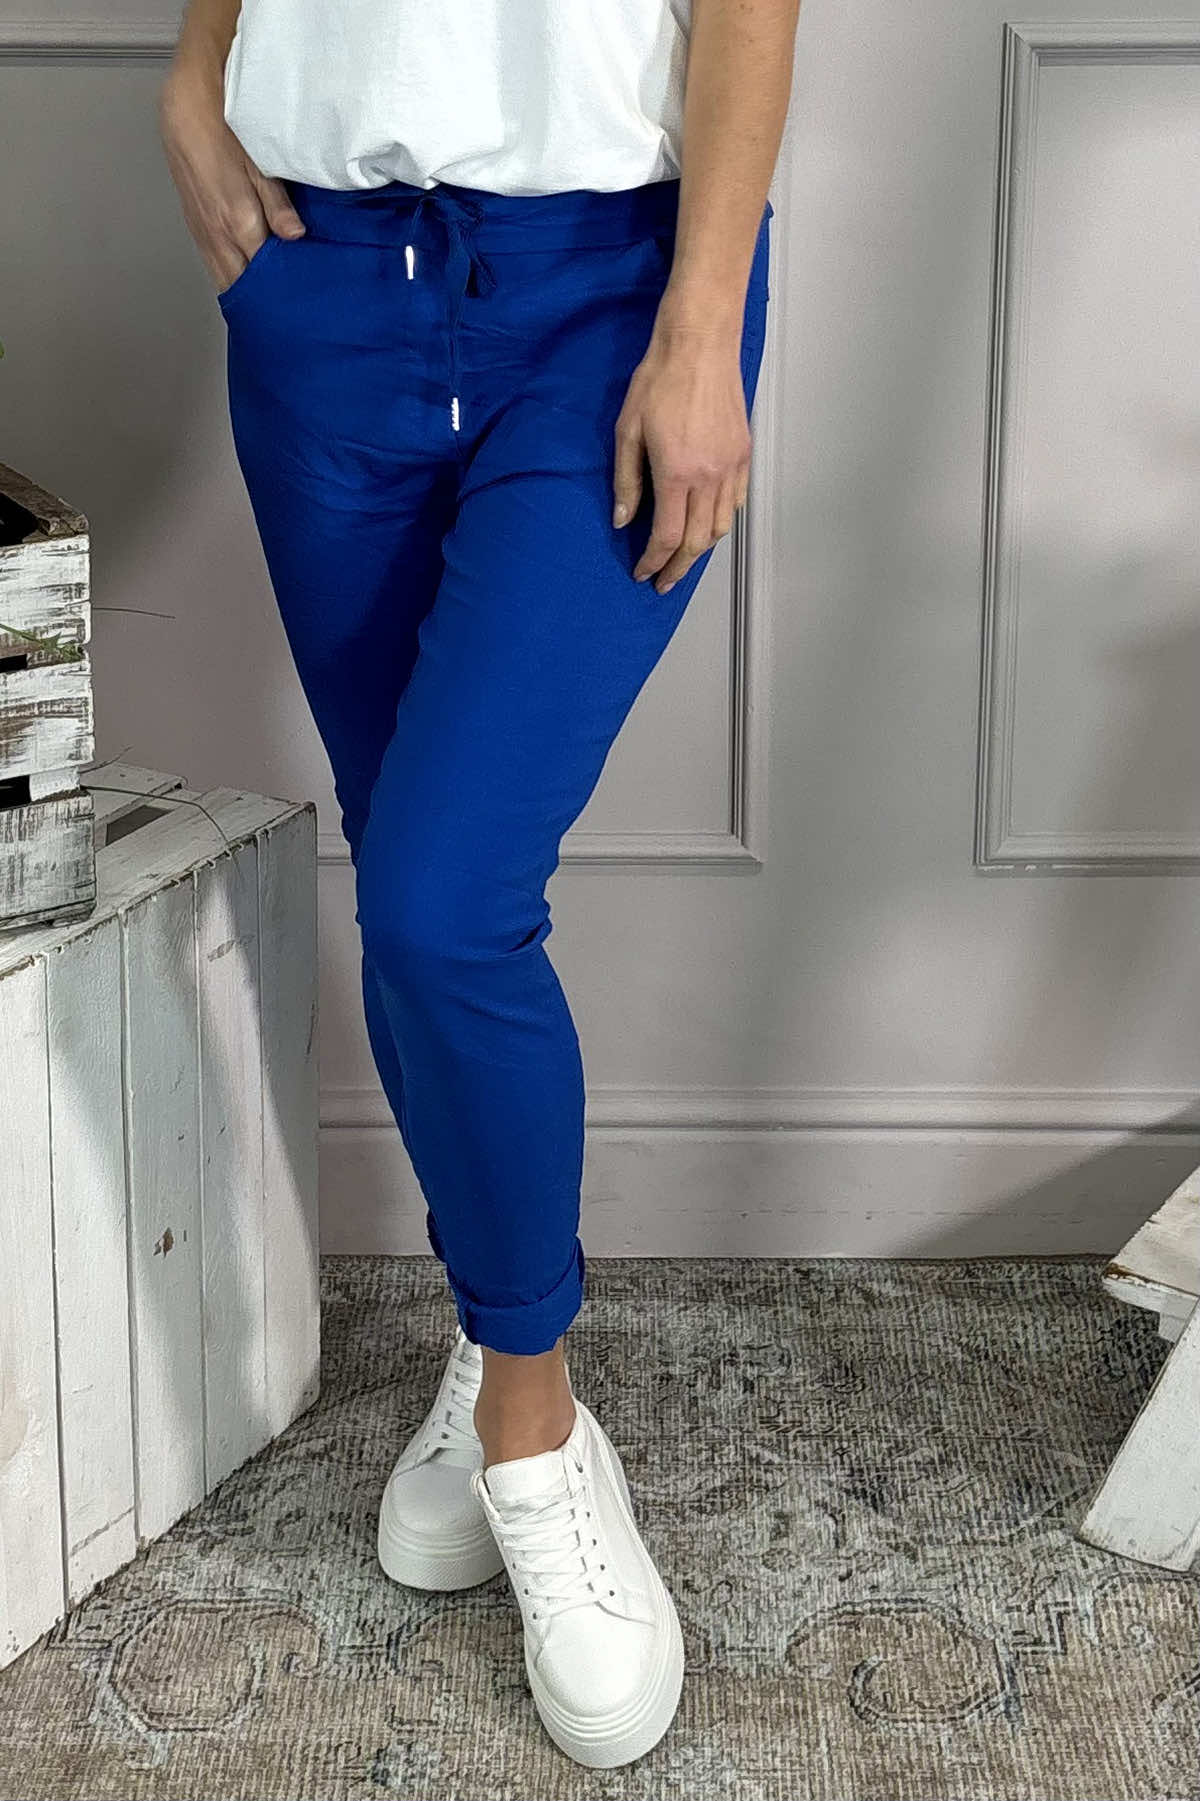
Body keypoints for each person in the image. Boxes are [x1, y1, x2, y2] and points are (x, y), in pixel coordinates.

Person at [159, 0, 800, 1770]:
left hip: (606, 293)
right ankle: (493, 1327)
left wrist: (702, 327)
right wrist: (193, 75)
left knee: (442, 902)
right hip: (321, 280)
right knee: (412, 873)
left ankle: (532, 1426)